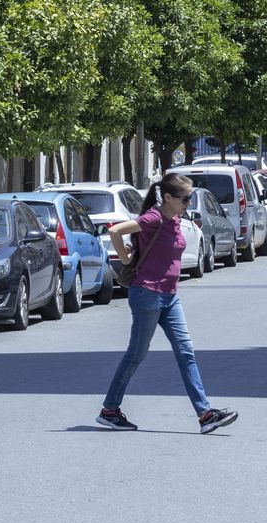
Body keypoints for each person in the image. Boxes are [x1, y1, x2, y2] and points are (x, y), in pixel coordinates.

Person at [97, 174, 237, 435]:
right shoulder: (153, 218)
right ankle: (109, 410)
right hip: (147, 294)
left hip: (170, 296)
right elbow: (115, 230)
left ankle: (205, 415)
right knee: (136, 355)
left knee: (186, 352)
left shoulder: (175, 220)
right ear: (169, 198)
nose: (189, 202)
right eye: (185, 198)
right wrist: (126, 260)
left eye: (191, 197)